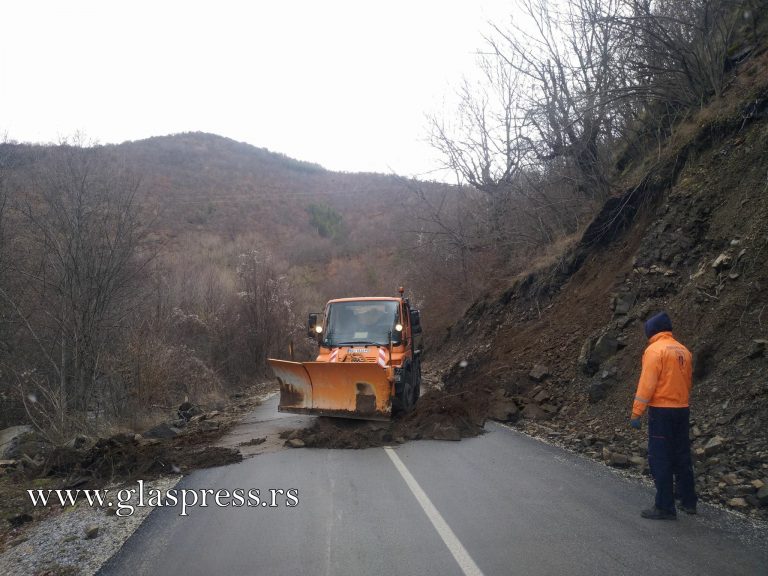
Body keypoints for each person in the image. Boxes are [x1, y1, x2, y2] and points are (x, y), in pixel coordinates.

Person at [630, 311, 697, 520]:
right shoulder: (683, 350)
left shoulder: (654, 350)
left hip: (662, 411)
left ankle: (665, 507)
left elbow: (647, 384)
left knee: (660, 457)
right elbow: (687, 382)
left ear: (652, 330)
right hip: (682, 409)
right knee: (682, 455)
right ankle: (689, 501)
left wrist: (636, 413)